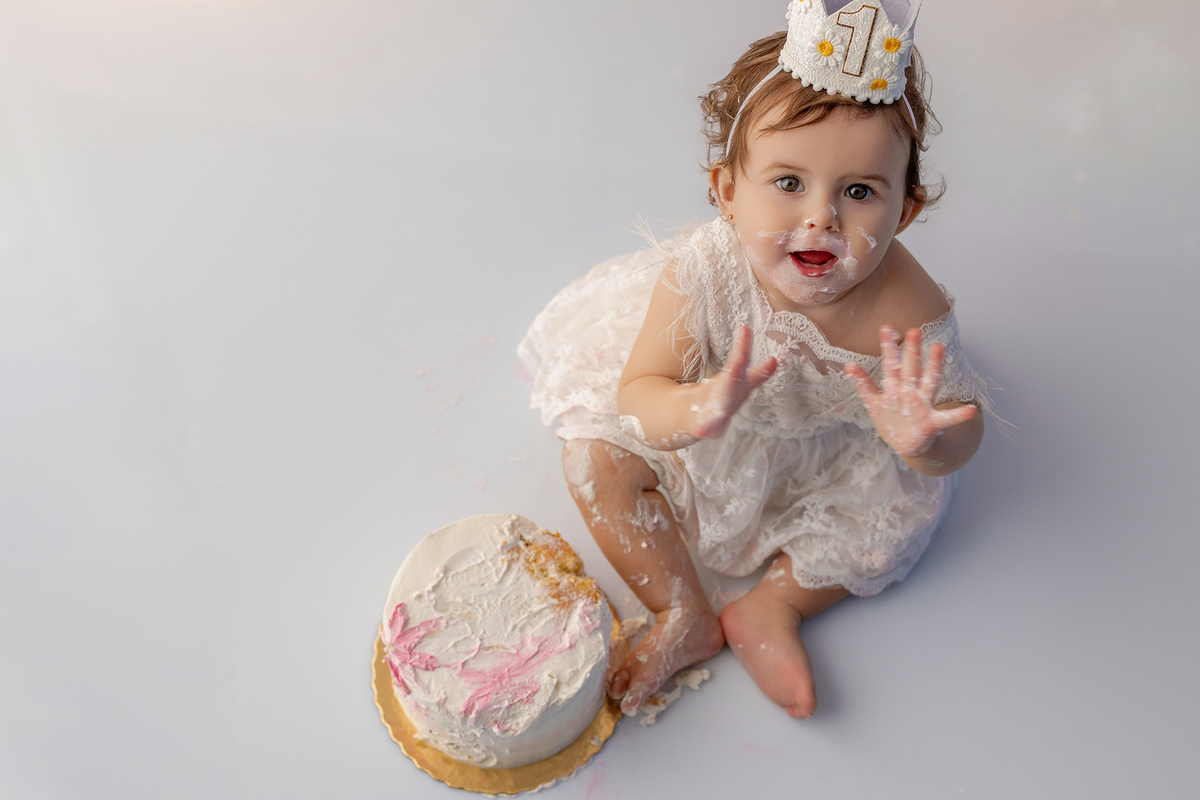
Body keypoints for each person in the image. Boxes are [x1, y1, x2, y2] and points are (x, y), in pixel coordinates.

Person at [518, 0, 988, 719]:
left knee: (890, 522)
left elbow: (964, 428)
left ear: (906, 211)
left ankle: (775, 606)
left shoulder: (911, 317)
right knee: (596, 459)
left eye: (859, 192)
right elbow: (640, 390)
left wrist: (928, 441)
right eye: (789, 183)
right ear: (727, 193)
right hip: (707, 420)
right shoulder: (705, 271)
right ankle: (681, 609)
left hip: (833, 450)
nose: (821, 218)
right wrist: (691, 408)